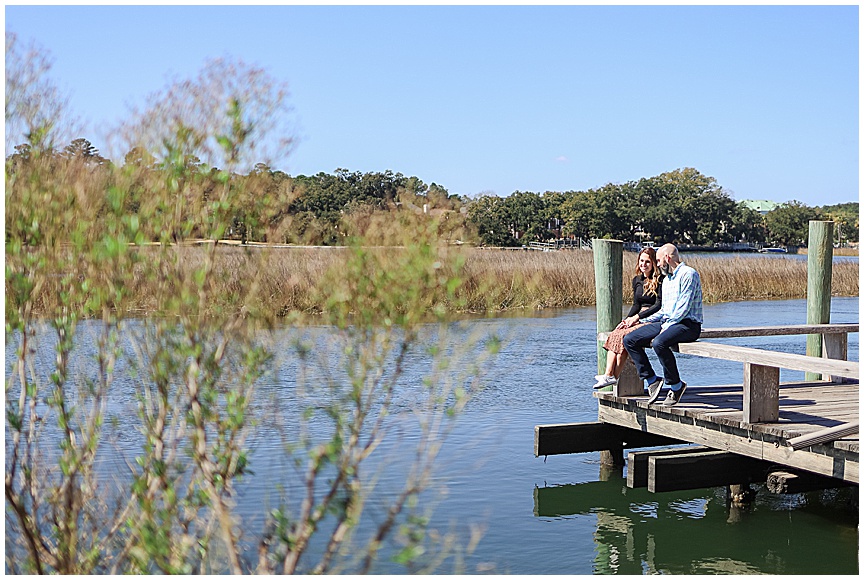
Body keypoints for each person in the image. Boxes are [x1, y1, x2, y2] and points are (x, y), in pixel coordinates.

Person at [622, 243, 702, 406]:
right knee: (629, 339)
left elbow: (683, 309)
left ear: (667, 258)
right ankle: (652, 380)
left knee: (659, 343)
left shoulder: (689, 274)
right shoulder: (668, 281)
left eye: (658, 261)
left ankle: (676, 386)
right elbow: (664, 311)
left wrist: (665, 327)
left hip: (688, 325)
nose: (657, 265)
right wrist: (639, 320)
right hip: (668, 322)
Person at [593, 246, 663, 389]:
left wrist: (637, 318)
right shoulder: (637, 280)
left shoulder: (660, 280)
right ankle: (609, 375)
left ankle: (611, 376)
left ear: (654, 263)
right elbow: (636, 304)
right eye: (641, 261)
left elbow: (658, 305)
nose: (643, 264)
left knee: (624, 338)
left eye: (647, 262)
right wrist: (626, 320)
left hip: (651, 318)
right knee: (616, 334)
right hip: (637, 317)